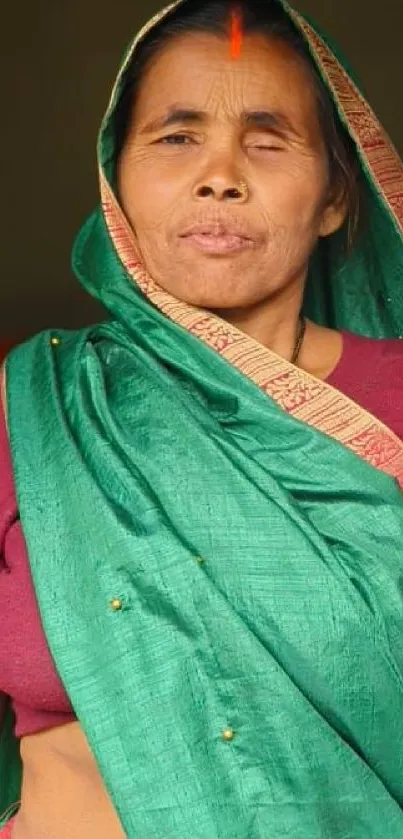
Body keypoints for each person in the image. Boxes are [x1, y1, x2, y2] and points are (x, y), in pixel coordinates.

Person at [1, 0, 403, 836]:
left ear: (334, 194)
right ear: (118, 181)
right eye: (176, 137)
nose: (220, 174)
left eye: (267, 139)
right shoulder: (34, 410)